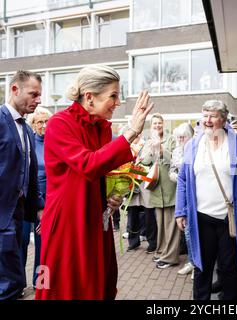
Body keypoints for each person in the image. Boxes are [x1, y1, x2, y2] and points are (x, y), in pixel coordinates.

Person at [35, 65, 153, 300]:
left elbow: (102, 169)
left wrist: (111, 194)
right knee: (64, 285)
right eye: (113, 95)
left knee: (98, 282)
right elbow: (87, 165)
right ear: (89, 97)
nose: (117, 102)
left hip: (95, 218)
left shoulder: (101, 127)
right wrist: (130, 132)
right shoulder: (60, 123)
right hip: (68, 221)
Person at [175, 100, 237, 300]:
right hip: (201, 217)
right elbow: (183, 179)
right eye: (204, 115)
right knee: (202, 266)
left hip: (229, 218)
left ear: (223, 118)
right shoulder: (193, 145)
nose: (207, 120)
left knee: (231, 269)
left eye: (212, 116)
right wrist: (181, 210)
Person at [0, 70, 44, 300]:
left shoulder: (27, 128)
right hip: (2, 215)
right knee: (7, 283)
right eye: (33, 94)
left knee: (15, 279)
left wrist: (39, 208)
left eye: (40, 95)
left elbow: (31, 174)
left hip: (19, 216)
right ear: (15, 89)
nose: (38, 100)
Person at [139, 114, 179, 269]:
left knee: (171, 225)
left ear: (164, 124)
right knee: (161, 224)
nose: (157, 126)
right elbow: (145, 161)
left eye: (159, 123)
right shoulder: (149, 141)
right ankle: (162, 251)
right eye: (154, 123)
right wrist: (150, 148)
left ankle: (171, 257)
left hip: (170, 188)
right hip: (156, 189)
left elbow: (174, 160)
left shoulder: (171, 139)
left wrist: (160, 148)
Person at [20, 107, 52, 289]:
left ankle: (41, 283)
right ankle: (19, 283)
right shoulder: (27, 142)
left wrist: (47, 207)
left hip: (47, 203)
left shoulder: (55, 144)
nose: (44, 125)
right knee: (22, 241)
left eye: (47, 121)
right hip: (27, 202)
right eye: (40, 122)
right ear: (33, 124)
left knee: (44, 245)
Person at [169, 123, 195, 277]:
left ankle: (198, 264)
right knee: (186, 230)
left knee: (195, 231)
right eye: (178, 137)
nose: (180, 140)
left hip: (195, 196)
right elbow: (172, 170)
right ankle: (192, 262)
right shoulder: (177, 151)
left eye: (183, 137)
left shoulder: (196, 149)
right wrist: (177, 177)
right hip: (182, 194)